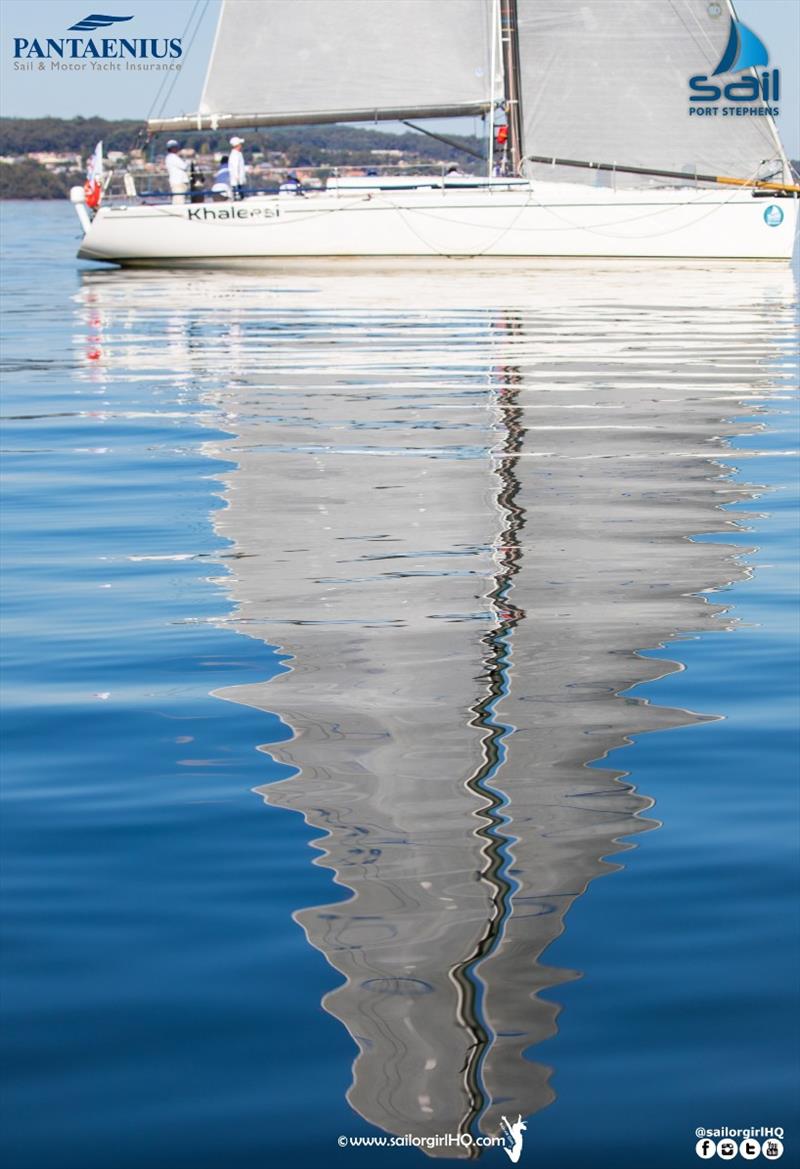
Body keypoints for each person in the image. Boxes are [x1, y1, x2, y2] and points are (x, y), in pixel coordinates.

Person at [165, 140, 190, 204]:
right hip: (178, 182)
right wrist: (187, 157)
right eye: (176, 147)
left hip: (179, 181)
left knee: (178, 199)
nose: (177, 149)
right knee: (179, 200)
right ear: (172, 148)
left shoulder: (171, 157)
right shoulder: (173, 157)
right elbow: (184, 166)